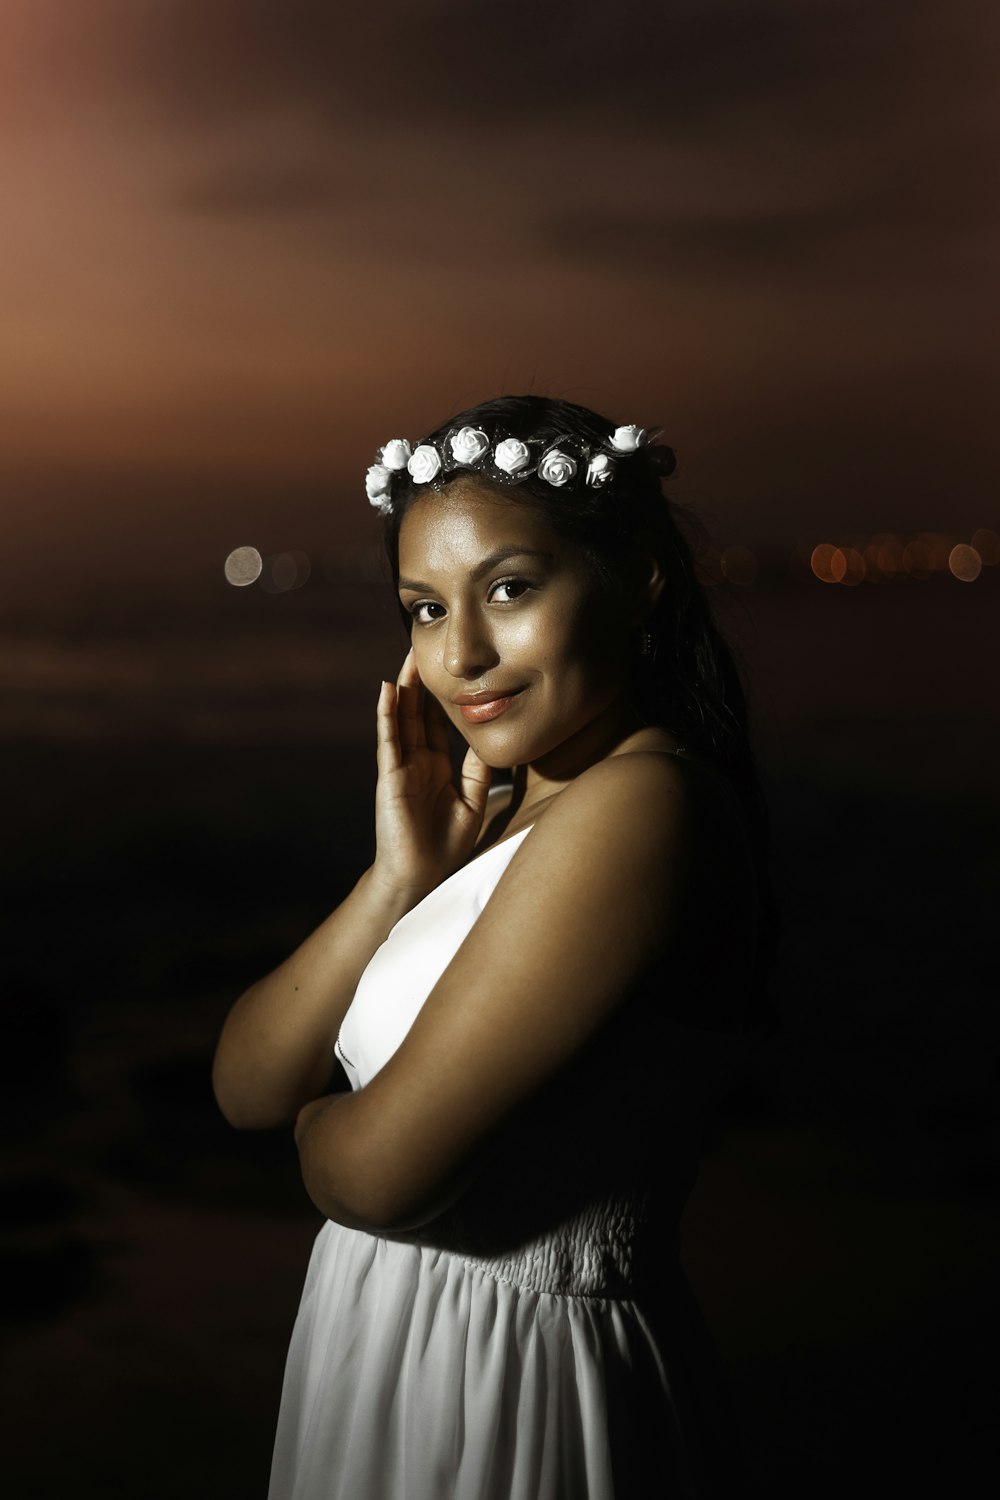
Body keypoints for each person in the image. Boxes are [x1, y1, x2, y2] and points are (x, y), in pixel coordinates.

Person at [212, 394, 777, 1499]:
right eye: (423, 610)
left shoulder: (639, 809)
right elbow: (242, 1084)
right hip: (395, 1344)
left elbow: (375, 1173)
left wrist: (326, 1122)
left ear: (639, 580)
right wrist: (397, 880)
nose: (461, 651)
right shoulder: (507, 815)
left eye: (509, 589)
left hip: (513, 1379)